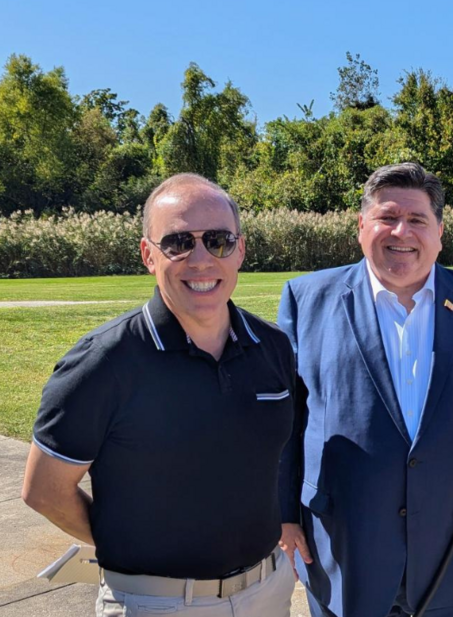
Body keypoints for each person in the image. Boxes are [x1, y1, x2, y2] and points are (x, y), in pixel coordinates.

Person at [22, 173, 297, 617]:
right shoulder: (103, 362)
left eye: (219, 241)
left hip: (267, 593)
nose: (202, 259)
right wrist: (127, 543)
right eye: (178, 243)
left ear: (241, 250)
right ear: (148, 255)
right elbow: (44, 490)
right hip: (156, 603)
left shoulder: (274, 347)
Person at [276, 162, 453, 617]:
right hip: (346, 544)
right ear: (361, 225)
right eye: (386, 217)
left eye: (417, 219)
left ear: (439, 230)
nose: (402, 231)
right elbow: (287, 423)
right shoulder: (306, 299)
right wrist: (283, 514)